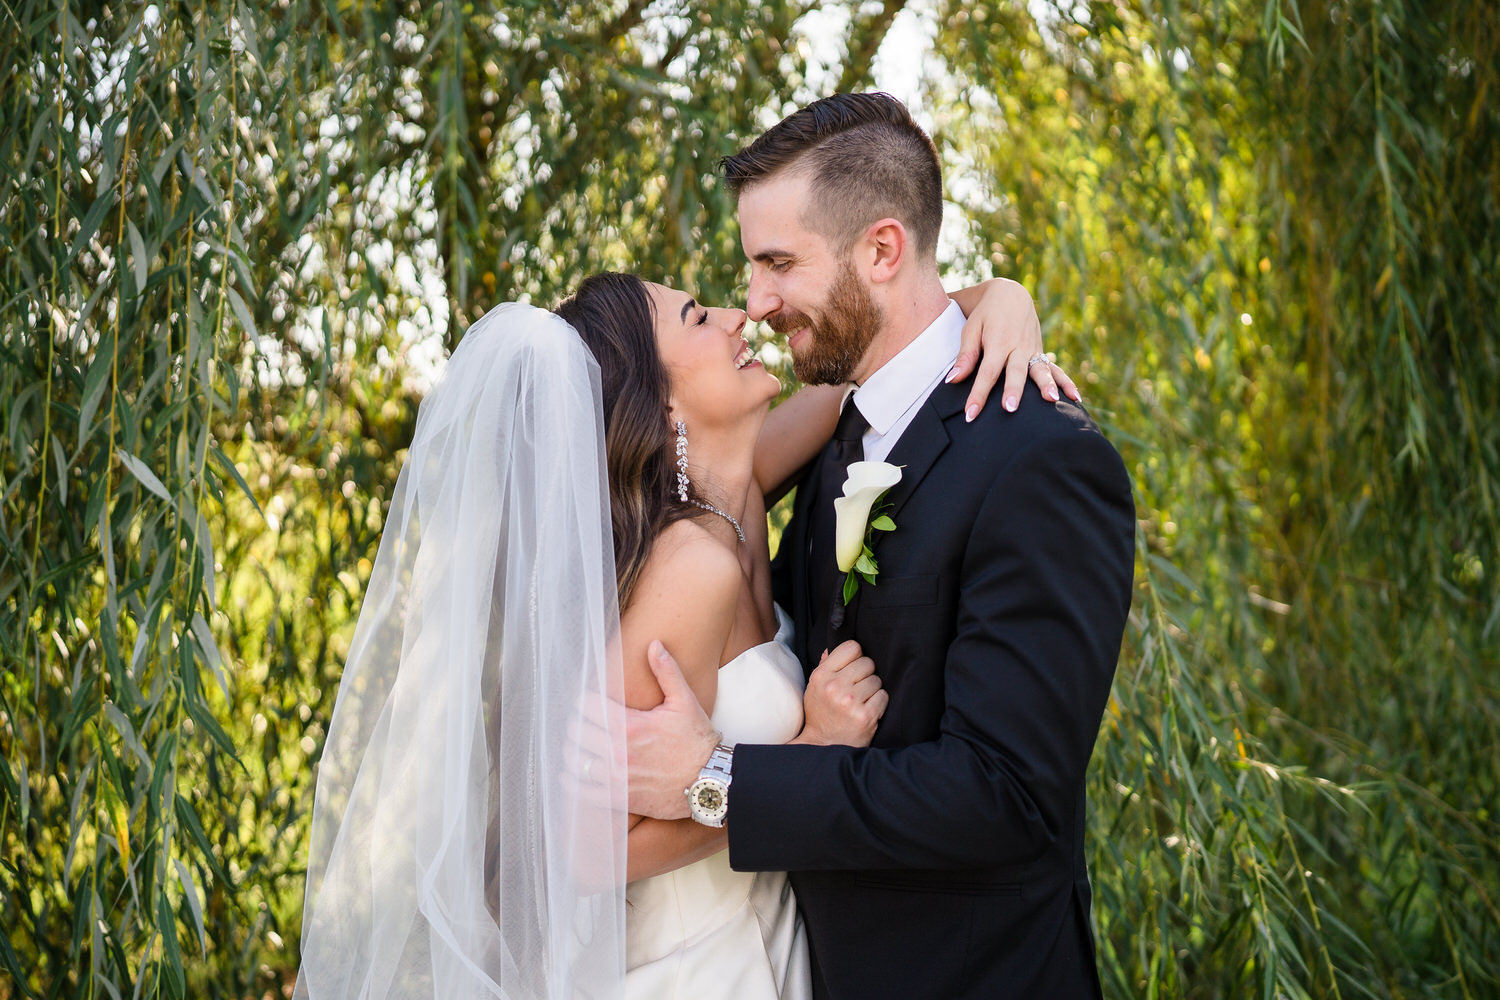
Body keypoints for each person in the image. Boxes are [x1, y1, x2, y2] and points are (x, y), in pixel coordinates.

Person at [292, 262, 1069, 995]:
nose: (738, 315)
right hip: (690, 963)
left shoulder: (743, 488)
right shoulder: (688, 566)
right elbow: (574, 849)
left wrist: (1000, 297)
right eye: (698, 317)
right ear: (663, 405)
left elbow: (887, 356)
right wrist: (806, 754)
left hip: (763, 931)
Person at [624, 94, 1137, 999]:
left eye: (779, 263)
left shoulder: (1043, 459)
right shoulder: (834, 440)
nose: (756, 302)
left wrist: (718, 783)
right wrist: (1000, 293)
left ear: (883, 250)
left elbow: (1006, 794)